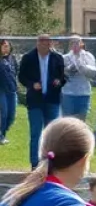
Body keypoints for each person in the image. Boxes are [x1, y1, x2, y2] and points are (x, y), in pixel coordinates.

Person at [18, 33, 65, 168]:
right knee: (36, 132)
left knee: (52, 133)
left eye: (48, 43)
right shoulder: (28, 58)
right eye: (43, 43)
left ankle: (50, 163)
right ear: (37, 43)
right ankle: (35, 163)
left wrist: (58, 82)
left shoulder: (57, 58)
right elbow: (21, 76)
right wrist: (31, 84)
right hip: (35, 101)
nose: (46, 46)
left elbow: (63, 77)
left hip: (52, 100)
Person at [61, 35, 96, 120]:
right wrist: (68, 69)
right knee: (67, 120)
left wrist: (82, 67)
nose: (75, 45)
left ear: (82, 43)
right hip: (68, 93)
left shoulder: (88, 56)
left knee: (81, 120)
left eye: (77, 42)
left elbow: (93, 73)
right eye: (73, 43)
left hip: (84, 93)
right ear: (70, 45)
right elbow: (59, 74)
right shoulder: (65, 58)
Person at [0, 38, 19, 144]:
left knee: (11, 115)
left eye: (7, 46)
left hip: (12, 90)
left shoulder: (12, 58)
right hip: (1, 90)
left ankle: (2, 133)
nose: (6, 47)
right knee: (4, 113)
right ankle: (1, 136)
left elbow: (15, 71)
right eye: (4, 45)